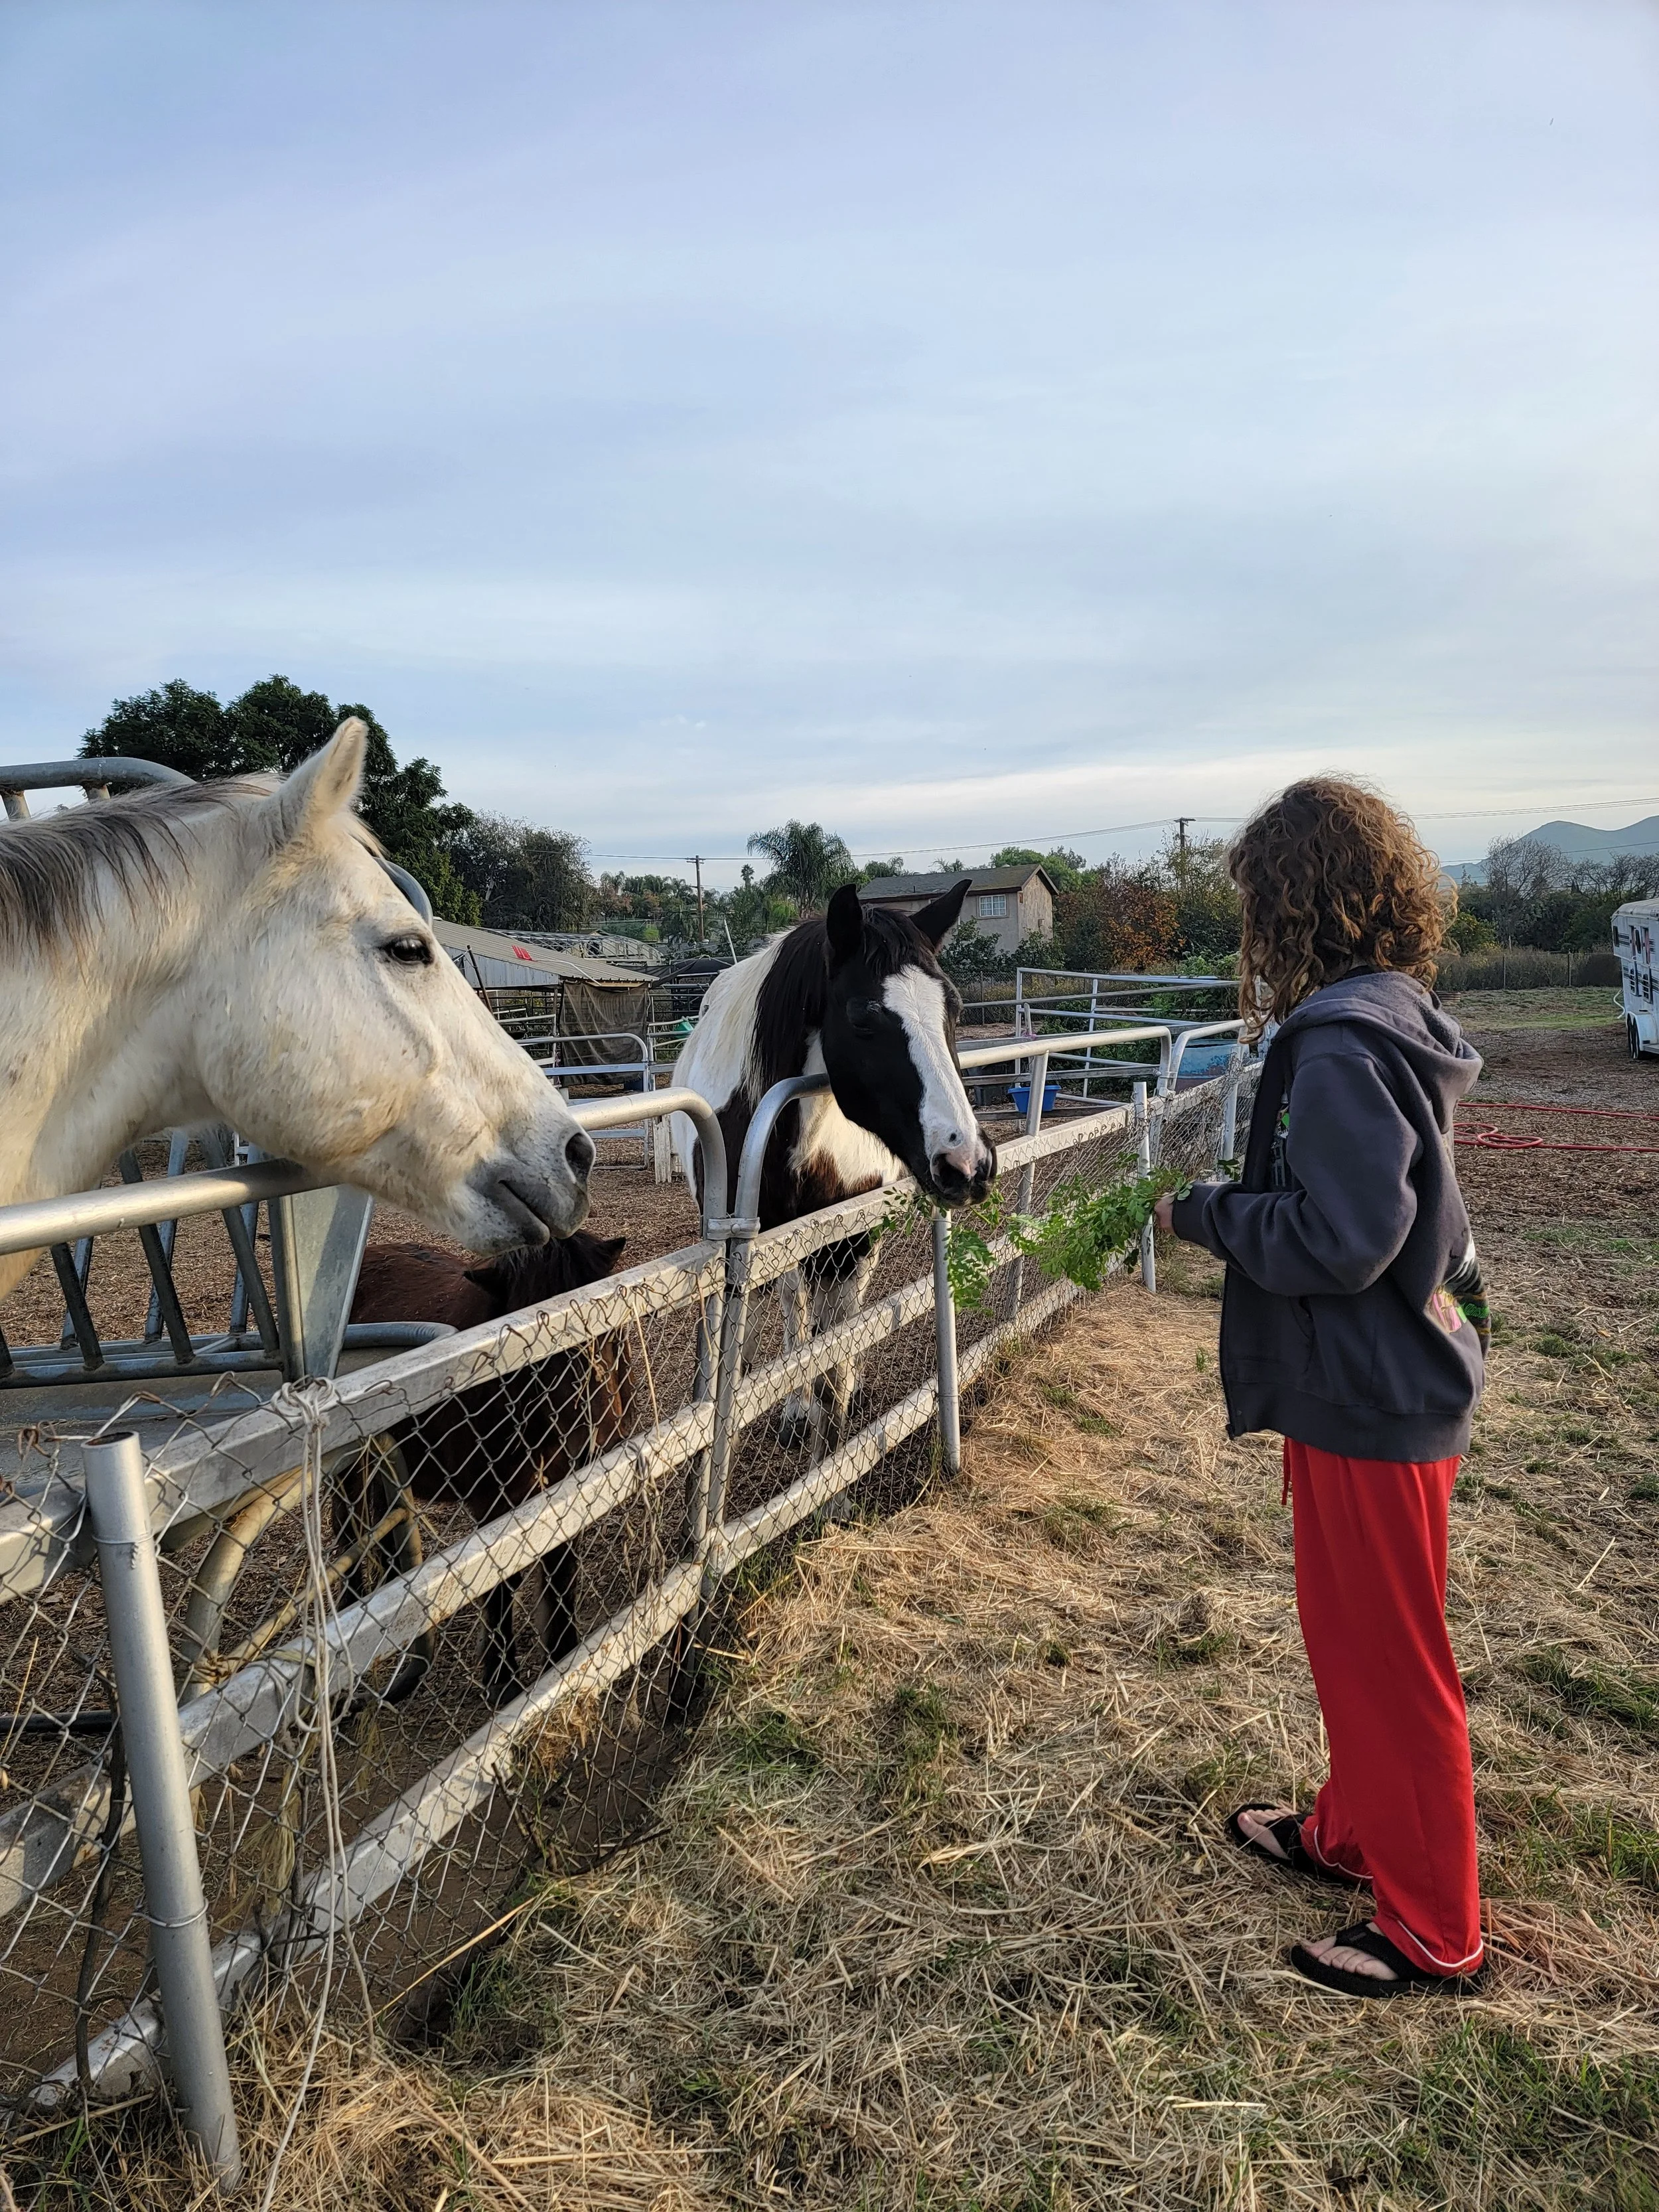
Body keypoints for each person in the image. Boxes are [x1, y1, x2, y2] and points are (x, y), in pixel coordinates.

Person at [1153, 777, 1488, 1998]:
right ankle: (1353, 1835)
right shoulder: (1392, 1013)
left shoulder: (1341, 1042)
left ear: (1291, 905)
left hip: (1371, 1391)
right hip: (1380, 1385)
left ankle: (1434, 1928)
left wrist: (1209, 1216)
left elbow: (1345, 1235)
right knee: (1356, 1640)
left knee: (1391, 1659)